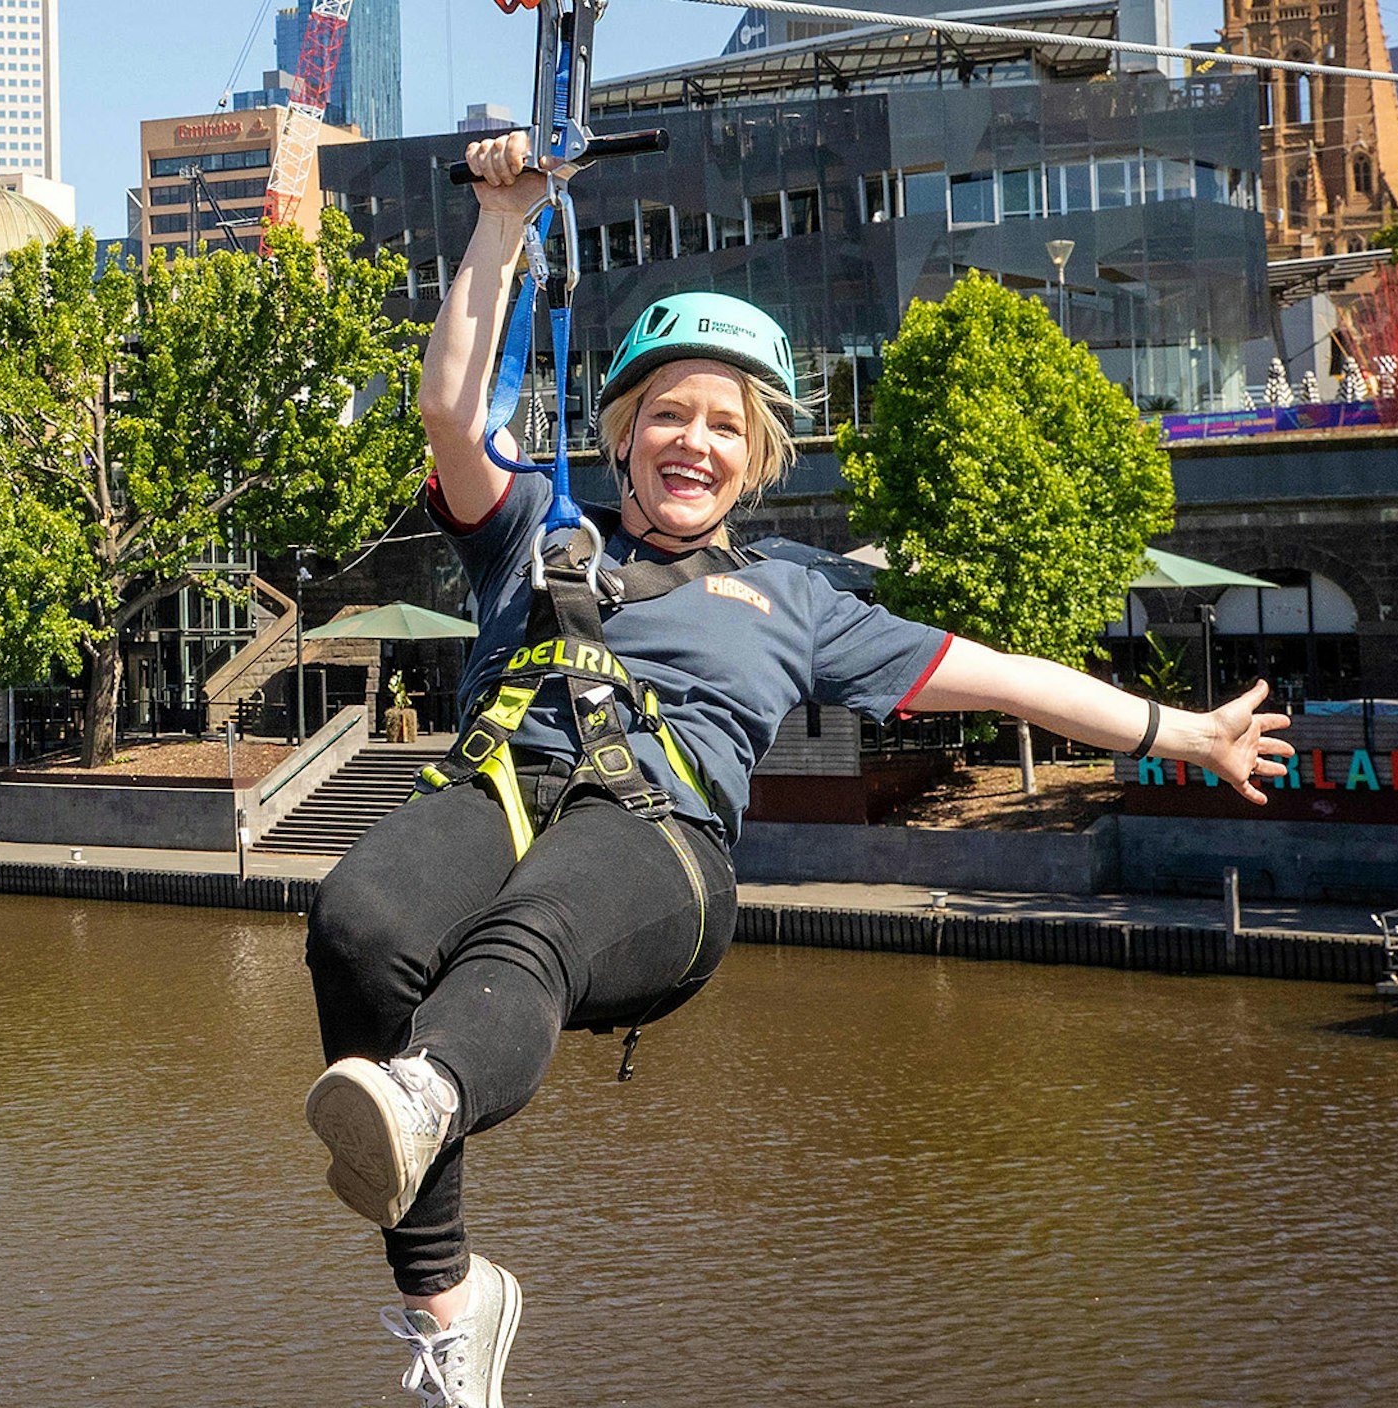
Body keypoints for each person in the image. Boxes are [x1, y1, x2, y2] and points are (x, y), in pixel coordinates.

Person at [303, 131, 1297, 1408]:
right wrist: (504, 219)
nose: (693, 441)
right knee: (359, 922)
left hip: (657, 844)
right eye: (668, 412)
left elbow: (1007, 675)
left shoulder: (801, 600)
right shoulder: (535, 531)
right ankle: (448, 1297)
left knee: (530, 938)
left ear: (756, 454)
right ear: (623, 431)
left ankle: (430, 1087)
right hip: (506, 778)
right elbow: (451, 408)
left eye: (726, 424)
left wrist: (1184, 732)